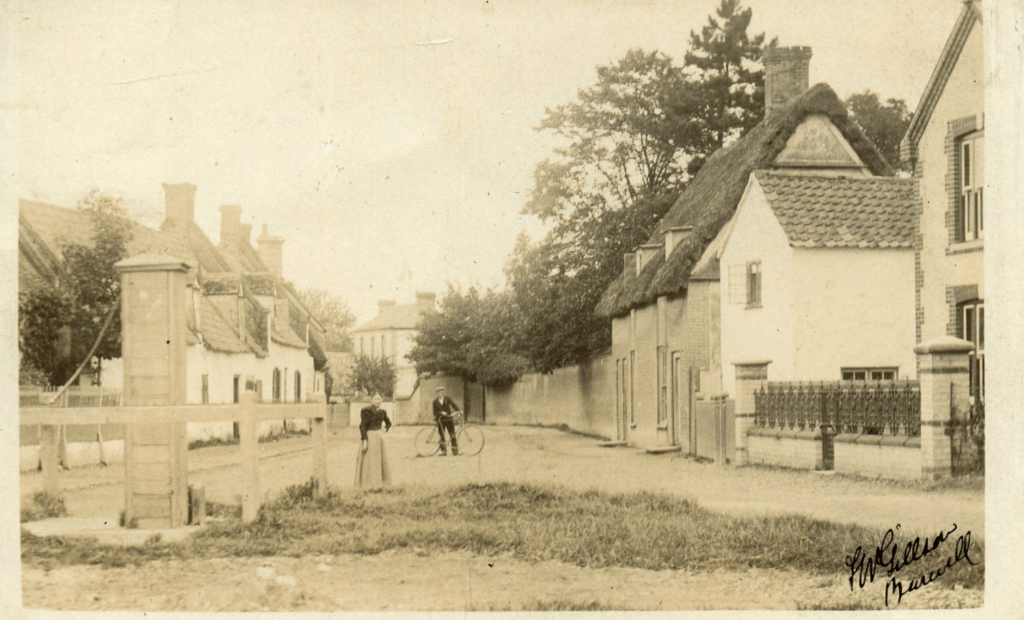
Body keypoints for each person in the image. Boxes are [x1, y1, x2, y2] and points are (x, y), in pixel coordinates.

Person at [355, 393, 392, 487]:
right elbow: (363, 426)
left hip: (379, 438)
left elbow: (388, 422)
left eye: (379, 399)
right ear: (371, 400)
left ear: (382, 400)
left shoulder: (383, 411)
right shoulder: (366, 410)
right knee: (369, 461)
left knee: (379, 461)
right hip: (370, 437)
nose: (377, 401)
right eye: (375, 399)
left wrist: (384, 429)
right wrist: (365, 441)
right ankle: (367, 484)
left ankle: (379, 484)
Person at [432, 386, 461, 456]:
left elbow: (454, 405)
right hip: (440, 420)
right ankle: (443, 451)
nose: (439, 393)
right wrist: (441, 413)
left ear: (443, 392)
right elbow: (434, 412)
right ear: (436, 393)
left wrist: (459, 410)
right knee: (441, 435)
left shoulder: (447, 399)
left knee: (452, 434)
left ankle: (455, 450)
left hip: (449, 419)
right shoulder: (434, 402)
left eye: (441, 392)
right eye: (438, 392)